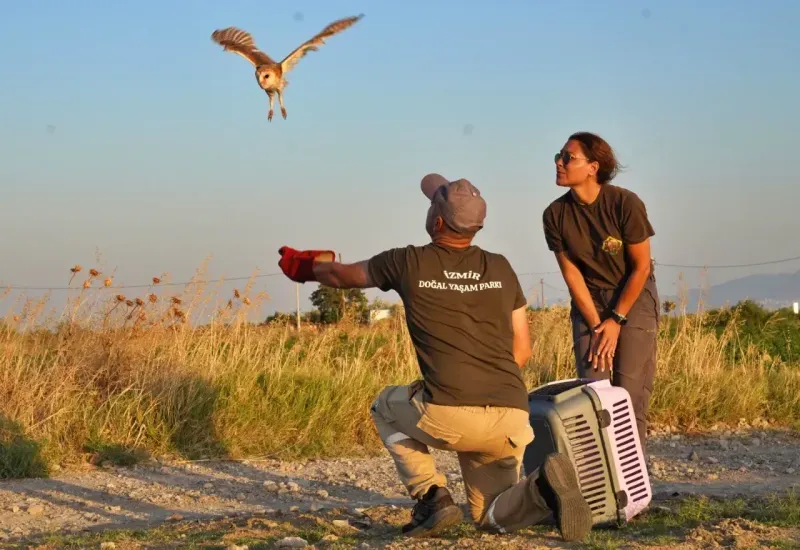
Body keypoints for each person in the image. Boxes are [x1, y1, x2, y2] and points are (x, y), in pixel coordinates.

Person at [277, 174, 593, 542]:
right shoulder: (501, 267)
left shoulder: (406, 261)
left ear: (437, 222)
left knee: (384, 406)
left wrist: (304, 268)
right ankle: (543, 489)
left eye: (432, 205)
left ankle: (431, 496)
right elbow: (523, 348)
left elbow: (341, 274)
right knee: (490, 515)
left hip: (448, 412)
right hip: (510, 413)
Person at [542, 131, 659, 454]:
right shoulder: (554, 215)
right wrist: (597, 325)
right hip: (589, 301)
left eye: (568, 157)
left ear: (593, 167)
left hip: (631, 297)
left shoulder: (625, 203)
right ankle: (603, 487)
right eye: (558, 156)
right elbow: (572, 274)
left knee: (629, 394)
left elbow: (641, 267)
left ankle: (633, 491)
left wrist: (616, 320)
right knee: (594, 393)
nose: (559, 163)